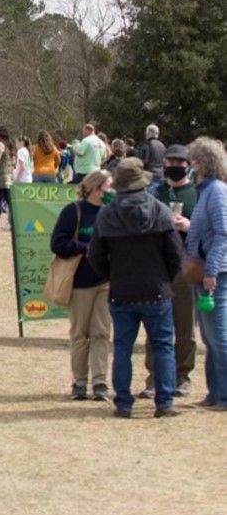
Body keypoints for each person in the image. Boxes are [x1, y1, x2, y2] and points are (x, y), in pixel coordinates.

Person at [88, 158, 182, 418]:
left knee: (122, 348)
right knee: (163, 347)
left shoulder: (106, 214)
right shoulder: (161, 210)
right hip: (156, 290)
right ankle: (164, 402)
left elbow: (94, 256)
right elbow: (175, 253)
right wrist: (166, 278)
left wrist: (112, 275)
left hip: (122, 292)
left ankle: (124, 403)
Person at [50, 169, 112, 400]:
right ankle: (79, 382)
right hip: (79, 282)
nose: (111, 192)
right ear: (95, 188)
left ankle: (100, 382)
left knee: (102, 333)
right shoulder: (73, 211)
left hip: (104, 281)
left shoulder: (110, 212)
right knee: (79, 334)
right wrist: (85, 248)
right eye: (108, 187)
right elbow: (57, 243)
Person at [143, 144, 198, 399]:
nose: (174, 167)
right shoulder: (155, 191)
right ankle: (154, 377)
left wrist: (190, 225)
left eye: (179, 163)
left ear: (188, 165)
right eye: (170, 163)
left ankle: (182, 376)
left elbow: (212, 227)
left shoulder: (197, 193)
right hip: (157, 265)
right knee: (155, 325)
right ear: (163, 164)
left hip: (186, 266)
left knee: (184, 326)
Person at [184, 137, 227, 412]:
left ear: (202, 163)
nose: (189, 165)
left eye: (193, 160)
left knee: (219, 337)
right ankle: (215, 393)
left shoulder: (217, 192)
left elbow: (223, 234)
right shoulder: (205, 191)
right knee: (209, 338)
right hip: (202, 274)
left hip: (215, 275)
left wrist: (212, 269)